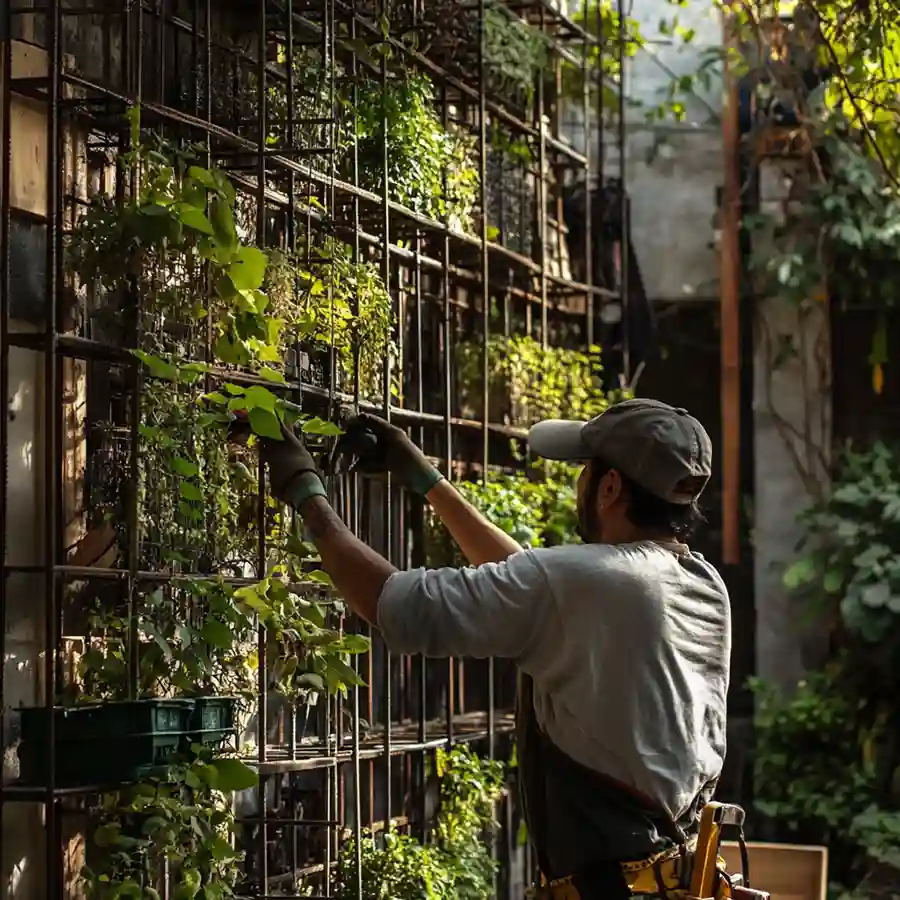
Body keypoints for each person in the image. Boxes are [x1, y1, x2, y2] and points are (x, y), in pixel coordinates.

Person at [252, 398, 731, 900]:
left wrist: (305, 491)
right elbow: (535, 590)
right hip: (670, 881)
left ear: (609, 488)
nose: (579, 484)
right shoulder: (701, 583)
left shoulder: (587, 583)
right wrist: (426, 480)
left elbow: (396, 604)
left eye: (586, 470)